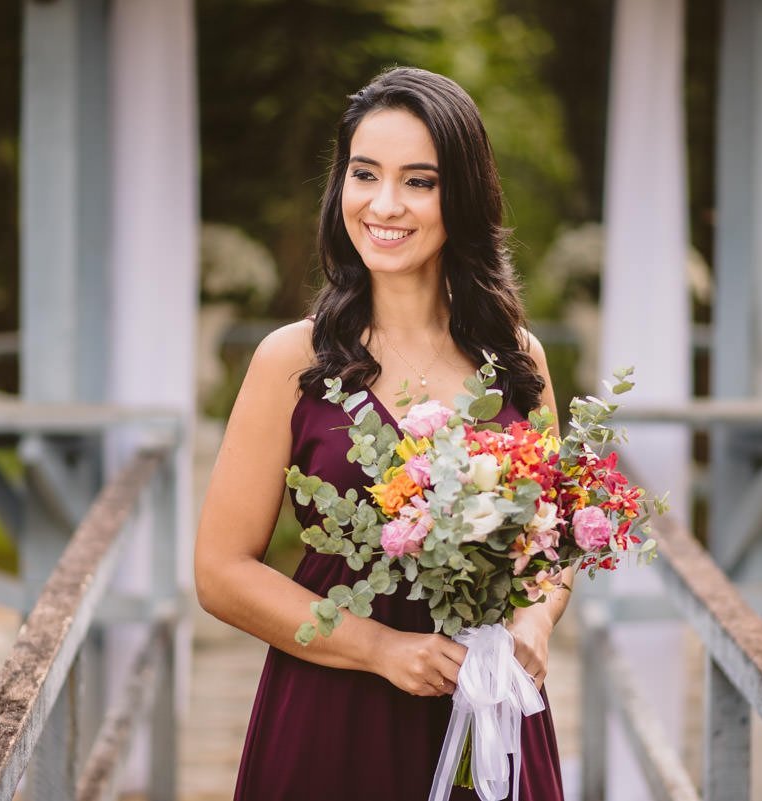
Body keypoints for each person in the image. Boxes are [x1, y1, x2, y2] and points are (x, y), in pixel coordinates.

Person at [193, 66, 566, 801]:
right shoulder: (289, 361)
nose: (384, 204)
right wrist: (379, 648)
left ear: (460, 195)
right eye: (365, 174)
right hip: (334, 713)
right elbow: (220, 571)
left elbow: (551, 541)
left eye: (418, 181)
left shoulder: (517, 360)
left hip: (487, 711)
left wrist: (534, 620)